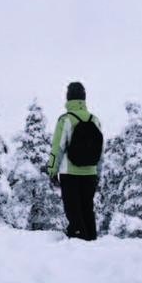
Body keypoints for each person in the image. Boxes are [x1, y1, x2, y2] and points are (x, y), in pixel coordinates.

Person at [47, 82, 103, 240]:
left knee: (73, 211)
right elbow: (100, 151)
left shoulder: (66, 119)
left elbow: (57, 148)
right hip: (90, 173)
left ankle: (78, 243)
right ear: (84, 99)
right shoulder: (95, 120)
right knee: (87, 209)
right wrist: (98, 172)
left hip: (70, 173)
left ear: (68, 99)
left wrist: (52, 171)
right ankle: (92, 242)